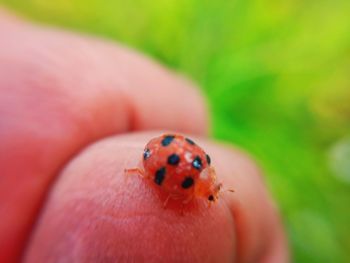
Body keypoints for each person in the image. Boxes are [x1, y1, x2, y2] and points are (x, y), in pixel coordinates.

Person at [0, 8, 289, 263]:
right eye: (212, 189)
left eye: (211, 191)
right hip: (153, 153)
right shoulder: (190, 184)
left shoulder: (195, 176)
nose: (212, 191)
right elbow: (170, 189)